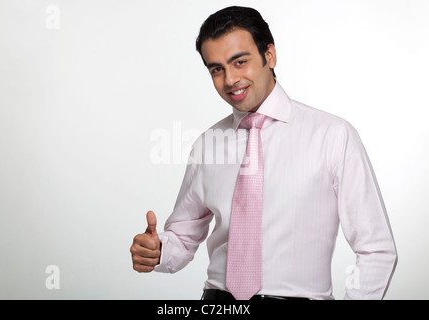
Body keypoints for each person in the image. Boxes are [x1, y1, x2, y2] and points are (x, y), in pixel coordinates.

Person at [130, 6, 397, 300]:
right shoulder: (207, 145)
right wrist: (158, 250)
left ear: (269, 55)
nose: (230, 79)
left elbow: (377, 249)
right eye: (216, 69)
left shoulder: (333, 135)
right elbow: (182, 237)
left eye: (240, 61)